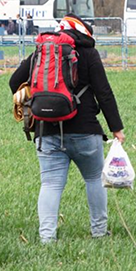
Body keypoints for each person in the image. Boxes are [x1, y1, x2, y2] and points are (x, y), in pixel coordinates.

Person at [9, 14, 125, 243]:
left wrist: (39, 97)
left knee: (50, 184)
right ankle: (99, 232)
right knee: (94, 179)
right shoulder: (89, 54)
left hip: (47, 130)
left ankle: (47, 237)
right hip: (86, 130)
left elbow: (14, 81)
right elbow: (104, 92)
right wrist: (116, 128)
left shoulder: (42, 52)